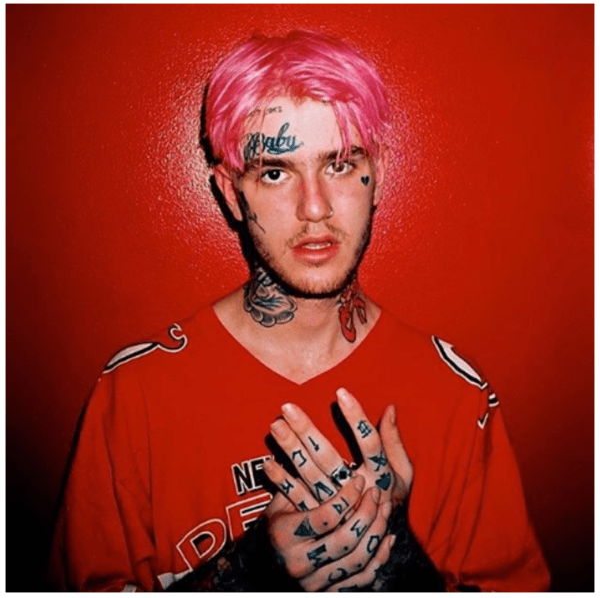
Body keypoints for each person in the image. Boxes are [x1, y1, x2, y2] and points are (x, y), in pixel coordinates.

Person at [49, 30, 550, 592]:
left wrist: (402, 566)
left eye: (339, 165)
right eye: (275, 172)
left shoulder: (455, 397)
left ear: (378, 174)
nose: (314, 208)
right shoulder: (134, 398)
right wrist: (245, 573)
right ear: (231, 193)